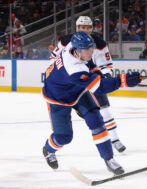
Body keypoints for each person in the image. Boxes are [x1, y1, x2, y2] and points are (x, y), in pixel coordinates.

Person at [42, 31, 141, 175]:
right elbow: (99, 88)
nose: (91, 52)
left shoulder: (74, 46)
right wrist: (123, 80)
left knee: (96, 120)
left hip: (77, 90)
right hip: (58, 98)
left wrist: (99, 74)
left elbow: (90, 64)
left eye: (91, 48)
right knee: (64, 138)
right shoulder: (74, 68)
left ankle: (109, 159)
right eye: (87, 49)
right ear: (77, 50)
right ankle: (48, 150)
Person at [51, 16, 127, 153]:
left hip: (94, 79)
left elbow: (107, 65)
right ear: (77, 28)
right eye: (82, 27)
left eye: (88, 27)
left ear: (92, 28)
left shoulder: (100, 43)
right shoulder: (66, 41)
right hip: (74, 84)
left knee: (105, 111)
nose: (85, 30)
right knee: (62, 122)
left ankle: (115, 139)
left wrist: (104, 75)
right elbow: (54, 59)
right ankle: (56, 143)